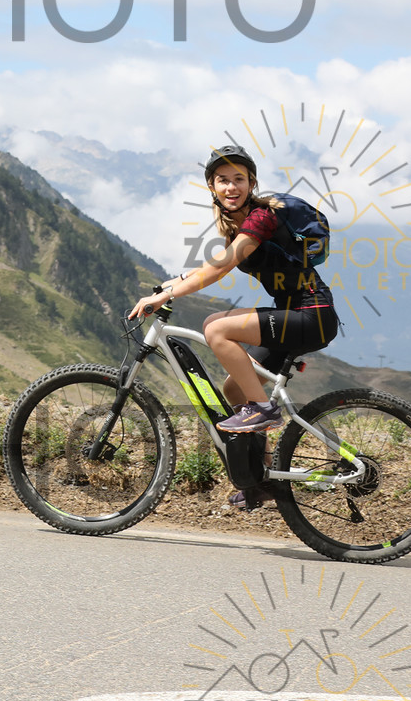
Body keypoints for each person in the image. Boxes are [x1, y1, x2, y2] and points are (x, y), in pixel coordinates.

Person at [127, 144, 338, 505]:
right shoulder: (236, 226)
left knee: (216, 328)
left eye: (238, 179)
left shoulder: (261, 217)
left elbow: (222, 267)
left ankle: (264, 410)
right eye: (222, 180)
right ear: (212, 186)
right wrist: (170, 285)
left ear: (252, 183)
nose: (231, 186)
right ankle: (264, 479)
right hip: (292, 314)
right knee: (235, 390)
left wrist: (168, 295)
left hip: (311, 313)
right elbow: (215, 263)